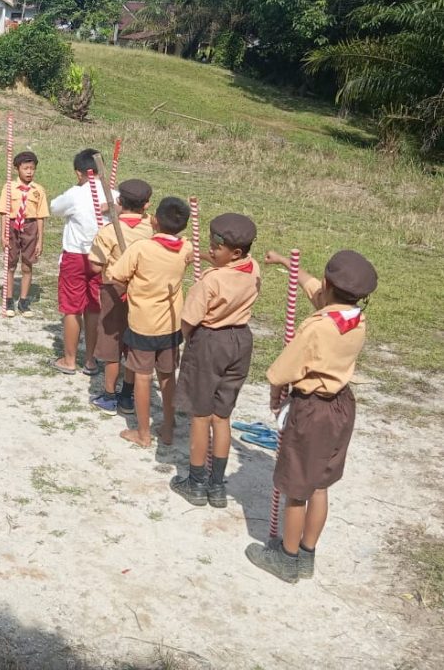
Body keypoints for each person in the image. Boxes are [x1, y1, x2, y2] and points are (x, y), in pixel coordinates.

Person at [246, 249, 377, 584]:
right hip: (341, 406)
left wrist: (276, 386)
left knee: (296, 488)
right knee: (319, 485)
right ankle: (306, 553)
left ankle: (286, 559)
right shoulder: (355, 318)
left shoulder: (316, 327)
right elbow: (316, 290)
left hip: (312, 410)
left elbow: (284, 370)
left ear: (330, 284)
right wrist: (289, 266)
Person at [170, 214, 260, 507]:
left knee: (200, 414)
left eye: (216, 248)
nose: (211, 250)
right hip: (240, 341)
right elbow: (231, 269)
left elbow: (189, 320)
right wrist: (216, 260)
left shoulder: (210, 281)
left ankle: (196, 483)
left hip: (210, 342)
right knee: (222, 417)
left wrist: (184, 341)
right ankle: (217, 486)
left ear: (234, 252)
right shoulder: (252, 268)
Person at [108, 196, 192, 448]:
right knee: (167, 375)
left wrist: (128, 286)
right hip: (171, 322)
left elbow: (116, 276)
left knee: (142, 377)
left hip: (143, 323)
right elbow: (192, 250)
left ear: (154, 220)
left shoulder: (141, 249)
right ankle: (168, 427)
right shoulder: (186, 248)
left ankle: (143, 433)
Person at [88, 179, 154, 413]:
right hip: (143, 291)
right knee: (134, 342)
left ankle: (109, 394)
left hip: (114, 289)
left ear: (118, 202)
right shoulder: (150, 228)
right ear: (146, 205)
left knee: (112, 343)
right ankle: (127, 395)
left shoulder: (108, 232)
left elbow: (95, 266)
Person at [49, 149, 114, 375]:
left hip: (75, 255)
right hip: (102, 257)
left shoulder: (75, 194)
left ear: (79, 173)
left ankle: (69, 360)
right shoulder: (113, 195)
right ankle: (91, 360)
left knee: (72, 308)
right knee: (94, 307)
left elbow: (54, 207)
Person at [0, 151, 49, 317]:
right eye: (25, 168)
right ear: (17, 169)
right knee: (10, 264)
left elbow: (41, 217)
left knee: (27, 264)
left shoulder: (38, 190)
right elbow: (4, 212)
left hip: (30, 226)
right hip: (12, 226)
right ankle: (9, 299)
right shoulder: (9, 188)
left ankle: (24, 302)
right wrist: (3, 235)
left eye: (32, 168)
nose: (29, 172)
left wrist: (40, 240)